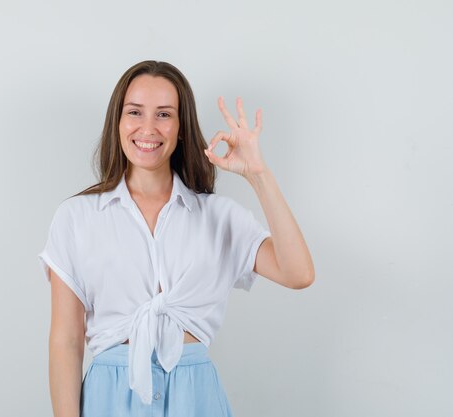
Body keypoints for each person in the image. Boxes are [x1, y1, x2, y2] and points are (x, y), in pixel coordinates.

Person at [39, 60, 314, 417]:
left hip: (195, 398)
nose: (148, 128)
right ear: (118, 122)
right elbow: (67, 341)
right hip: (109, 398)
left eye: (164, 115)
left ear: (182, 128)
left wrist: (258, 175)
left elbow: (298, 274)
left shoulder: (218, 216)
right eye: (135, 112)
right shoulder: (76, 218)